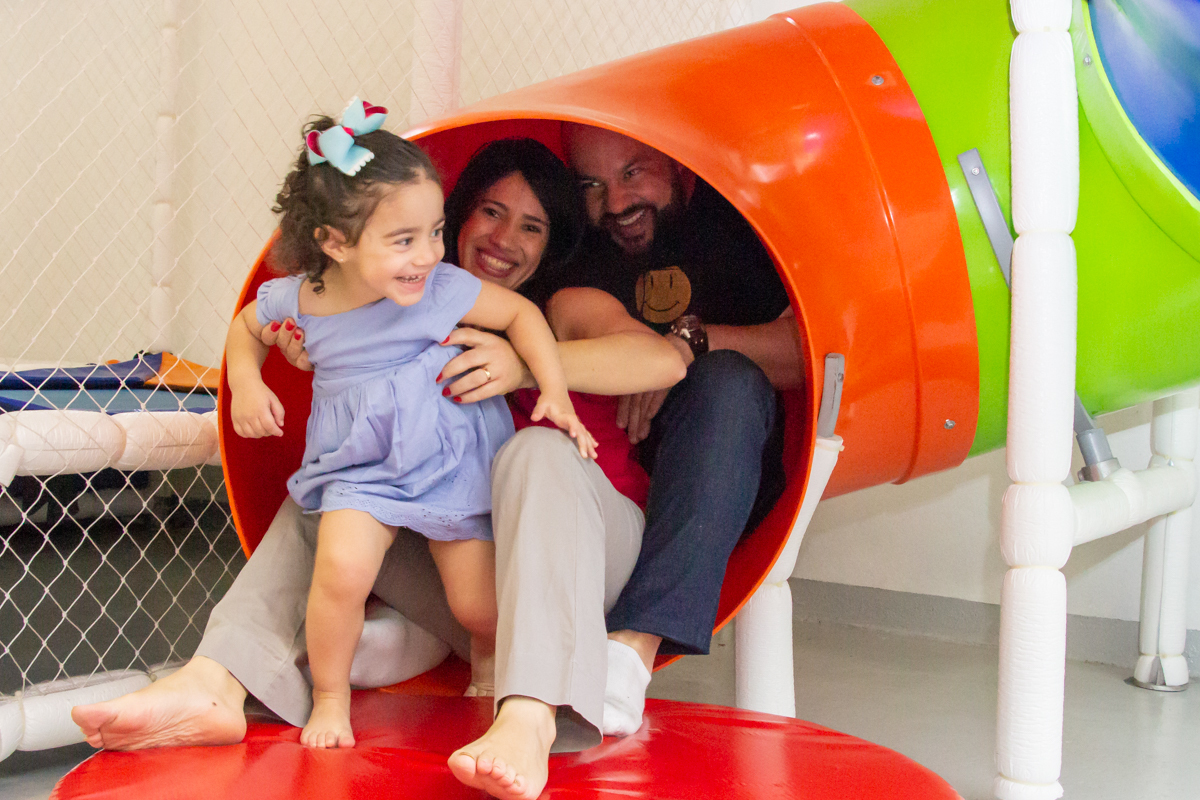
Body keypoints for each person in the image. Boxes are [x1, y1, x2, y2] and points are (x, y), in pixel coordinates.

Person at [72, 137, 686, 799]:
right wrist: (299, 350)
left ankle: (532, 712)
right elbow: (288, 325)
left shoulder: (562, 305)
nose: (505, 237)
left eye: (531, 226)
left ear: (552, 242)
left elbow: (665, 363)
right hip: (482, 582)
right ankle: (217, 681)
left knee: (531, 449)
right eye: (489, 213)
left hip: (589, 562)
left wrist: (528, 368)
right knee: (334, 488)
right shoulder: (398, 294)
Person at [224, 103, 596, 749]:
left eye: (435, 231)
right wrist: (246, 384)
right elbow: (245, 328)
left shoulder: (443, 288)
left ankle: (493, 660)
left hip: (450, 465)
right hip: (360, 467)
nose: (427, 255)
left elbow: (523, 319)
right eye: (404, 241)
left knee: (478, 606)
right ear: (334, 243)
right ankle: (331, 700)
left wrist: (555, 391)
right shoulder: (303, 298)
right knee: (339, 572)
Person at [552, 123, 803, 736]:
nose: (614, 204)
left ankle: (631, 650)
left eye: (632, 173)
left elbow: (805, 353)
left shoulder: (732, 226)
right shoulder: (577, 248)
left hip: (725, 463)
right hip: (611, 478)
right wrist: (645, 358)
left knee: (729, 381)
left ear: (677, 165)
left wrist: (689, 346)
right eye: (592, 184)